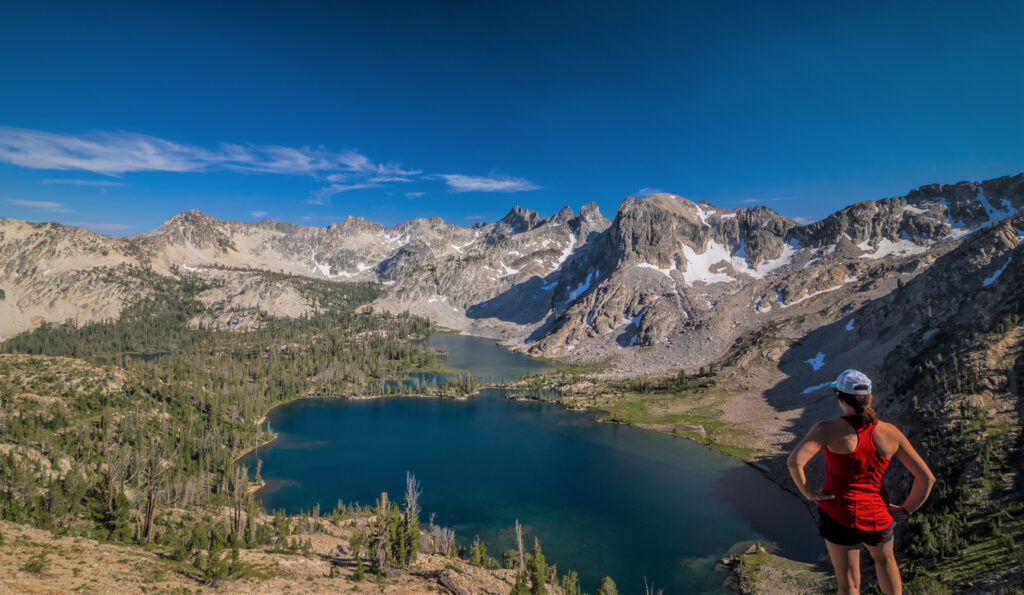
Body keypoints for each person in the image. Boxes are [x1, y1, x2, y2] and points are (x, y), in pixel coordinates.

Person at [787, 369, 935, 595]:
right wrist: (905, 509)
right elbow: (926, 478)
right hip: (878, 514)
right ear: (870, 398)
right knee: (886, 562)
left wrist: (809, 492)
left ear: (840, 398)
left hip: (838, 513)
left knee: (849, 585)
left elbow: (794, 462)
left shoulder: (827, 429)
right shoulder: (890, 432)